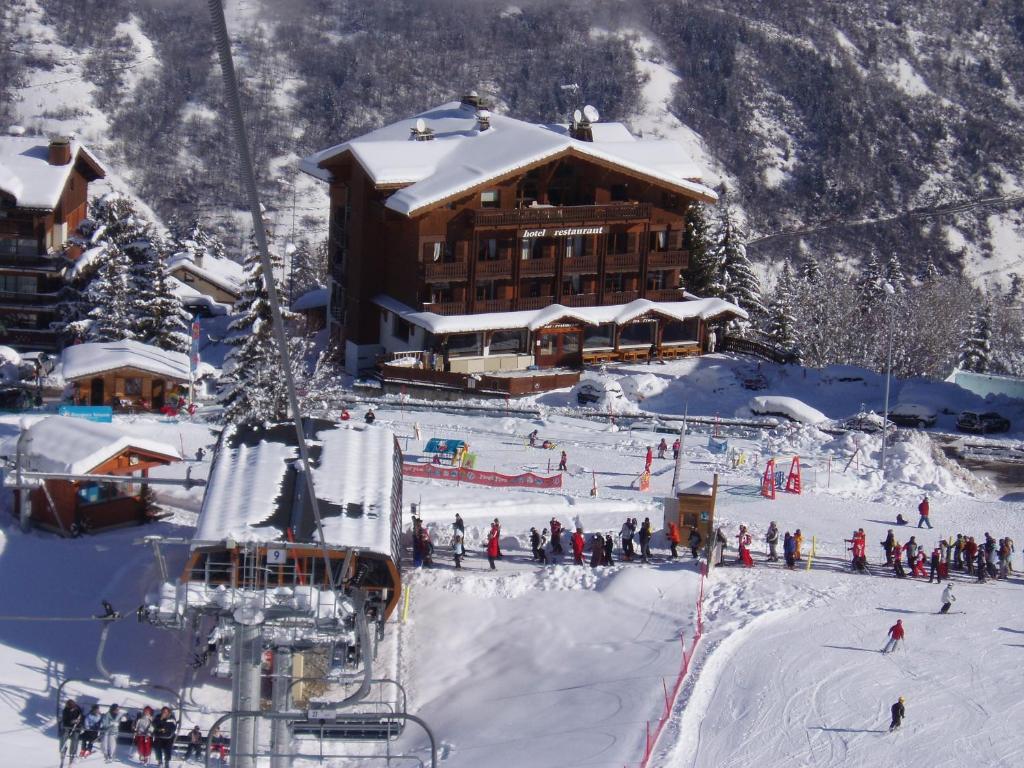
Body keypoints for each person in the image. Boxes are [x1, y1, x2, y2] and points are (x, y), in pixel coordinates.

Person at [60, 699, 83, 763]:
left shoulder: (78, 709)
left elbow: (81, 718)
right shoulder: (65, 711)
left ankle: (73, 753)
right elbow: (65, 721)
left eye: (73, 707)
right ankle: (63, 750)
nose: (72, 709)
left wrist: (78, 722)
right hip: (68, 727)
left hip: (76, 728)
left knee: (75, 739)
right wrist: (71, 721)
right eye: (71, 708)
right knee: (63, 736)